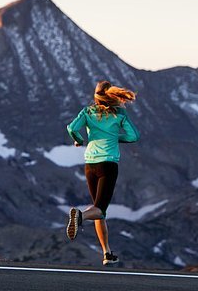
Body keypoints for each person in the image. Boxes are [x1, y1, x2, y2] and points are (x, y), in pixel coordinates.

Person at [65, 80, 140, 265]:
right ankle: (80, 216)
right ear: (113, 96)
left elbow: (71, 128)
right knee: (99, 209)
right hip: (108, 164)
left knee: (100, 211)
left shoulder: (87, 112)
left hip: (90, 164)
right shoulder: (119, 114)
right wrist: (115, 137)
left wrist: (79, 139)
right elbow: (134, 136)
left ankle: (107, 253)